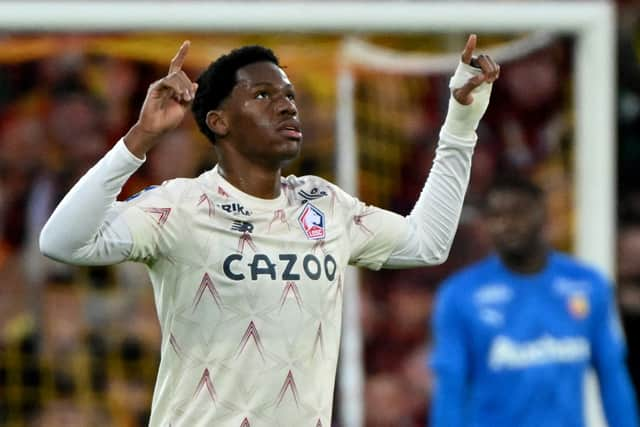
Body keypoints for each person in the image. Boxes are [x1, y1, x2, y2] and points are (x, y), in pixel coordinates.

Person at [39, 35, 500, 426]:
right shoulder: (180, 205)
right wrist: (139, 139)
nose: (285, 106)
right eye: (262, 95)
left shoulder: (324, 204)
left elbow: (428, 242)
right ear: (218, 122)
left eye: (289, 96)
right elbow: (60, 241)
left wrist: (461, 121)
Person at [429, 177, 640, 427]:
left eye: (518, 213)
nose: (507, 224)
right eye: (496, 216)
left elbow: (612, 375)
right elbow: (450, 388)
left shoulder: (589, 285)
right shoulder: (459, 294)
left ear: (543, 216)